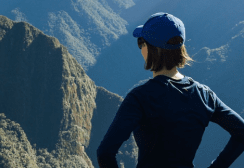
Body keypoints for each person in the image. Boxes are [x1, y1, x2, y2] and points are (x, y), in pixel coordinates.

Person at [97, 12, 244, 168]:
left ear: (152, 49)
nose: (140, 48)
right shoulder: (204, 95)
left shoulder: (140, 98)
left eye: (141, 42)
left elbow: (105, 153)